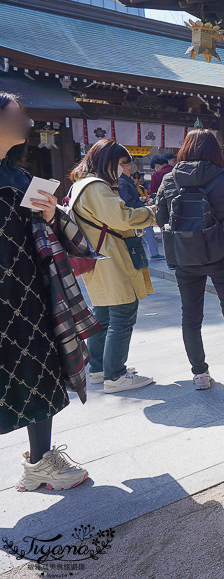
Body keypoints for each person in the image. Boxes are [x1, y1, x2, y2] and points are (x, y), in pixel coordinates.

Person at [1, 92, 90, 491]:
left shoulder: (19, 176)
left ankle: (39, 463)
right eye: (19, 116)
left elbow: (53, 231)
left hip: (27, 293)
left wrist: (52, 212)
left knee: (39, 370)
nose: (28, 124)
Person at [155, 130, 224, 389]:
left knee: (190, 316)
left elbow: (160, 219)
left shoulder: (168, 179)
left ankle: (200, 375)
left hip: (185, 257)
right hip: (222, 253)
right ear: (215, 151)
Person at [69, 139, 157, 392]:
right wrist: (150, 213)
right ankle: (115, 375)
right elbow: (121, 218)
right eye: (121, 164)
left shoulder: (80, 184)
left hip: (96, 256)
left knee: (104, 315)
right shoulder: (96, 187)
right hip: (111, 256)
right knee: (123, 312)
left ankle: (98, 369)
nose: (124, 170)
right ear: (108, 162)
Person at [120, 161, 163, 261]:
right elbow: (129, 204)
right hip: (136, 216)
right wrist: (147, 210)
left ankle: (152, 254)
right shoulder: (123, 184)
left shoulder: (135, 186)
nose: (137, 179)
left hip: (138, 215)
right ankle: (153, 254)